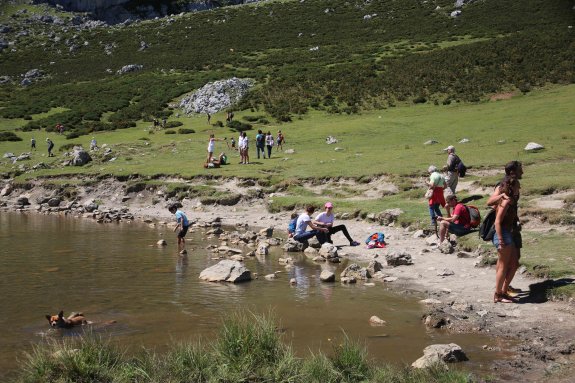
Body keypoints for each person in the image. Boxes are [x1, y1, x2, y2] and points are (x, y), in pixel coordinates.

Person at [487, 160, 523, 297]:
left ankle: (503, 288)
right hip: (504, 228)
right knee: (505, 261)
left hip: (511, 226)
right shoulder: (503, 185)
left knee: (511, 260)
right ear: (513, 171)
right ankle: (501, 291)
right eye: (520, 169)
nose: (522, 172)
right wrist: (502, 199)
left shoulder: (513, 185)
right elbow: (490, 202)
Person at [491, 175, 521, 303]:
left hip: (508, 233)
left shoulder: (511, 200)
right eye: (518, 186)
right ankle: (498, 295)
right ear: (512, 187)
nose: (519, 188)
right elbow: (497, 222)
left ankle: (503, 291)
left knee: (514, 264)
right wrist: (501, 238)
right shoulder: (506, 201)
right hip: (503, 234)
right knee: (503, 265)